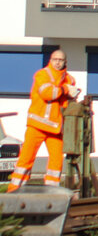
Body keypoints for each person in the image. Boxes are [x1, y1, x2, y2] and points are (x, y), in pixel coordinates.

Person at [6, 48, 79, 192]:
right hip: (38, 125)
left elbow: (66, 101)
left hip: (56, 127)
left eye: (60, 60)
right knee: (26, 160)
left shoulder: (70, 79)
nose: (57, 63)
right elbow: (47, 93)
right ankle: (14, 190)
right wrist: (65, 90)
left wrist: (71, 95)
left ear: (65, 62)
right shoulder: (42, 74)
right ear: (50, 61)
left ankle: (51, 192)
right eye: (55, 60)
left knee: (56, 162)